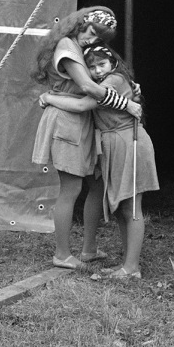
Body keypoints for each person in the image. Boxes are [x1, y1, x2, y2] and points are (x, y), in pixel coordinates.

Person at [31, 6, 140, 270]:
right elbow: (88, 87)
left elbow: (100, 83)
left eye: (98, 38)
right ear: (80, 23)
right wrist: (126, 103)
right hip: (67, 120)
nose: (92, 40)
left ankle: (89, 249)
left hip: (82, 121)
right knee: (70, 189)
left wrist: (127, 86)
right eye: (91, 32)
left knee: (96, 186)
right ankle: (62, 254)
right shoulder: (67, 46)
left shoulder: (79, 47)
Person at [40, 42, 158, 280]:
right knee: (122, 207)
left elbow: (83, 104)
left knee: (131, 207)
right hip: (114, 143)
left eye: (101, 64)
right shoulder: (106, 82)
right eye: (91, 68)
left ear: (113, 62)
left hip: (128, 141)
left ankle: (132, 268)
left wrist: (49, 97)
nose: (97, 71)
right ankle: (128, 264)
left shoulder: (113, 80)